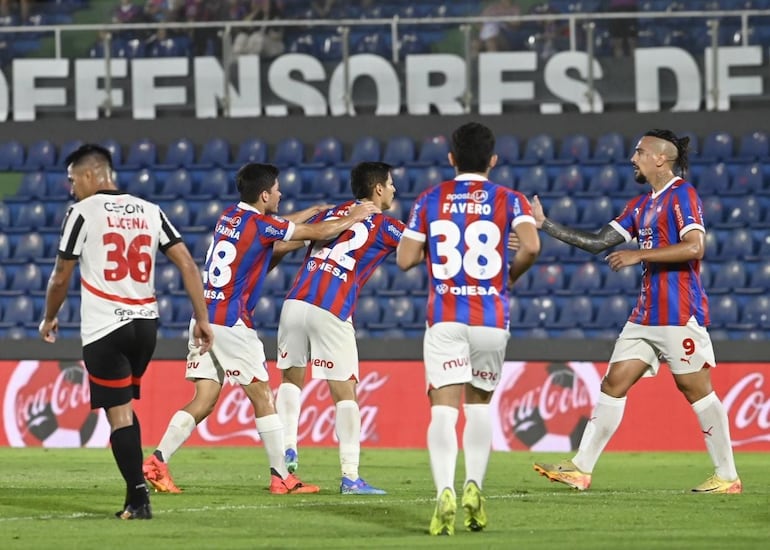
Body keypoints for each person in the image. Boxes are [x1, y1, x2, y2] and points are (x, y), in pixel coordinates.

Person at [142, 162, 380, 496]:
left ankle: (157, 461)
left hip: (203, 318)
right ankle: (282, 476)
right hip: (231, 323)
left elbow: (277, 232)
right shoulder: (261, 225)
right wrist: (352, 217)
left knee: (205, 398)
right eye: (278, 190)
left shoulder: (230, 217)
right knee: (263, 398)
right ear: (265, 194)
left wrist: (312, 211)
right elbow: (316, 234)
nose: (281, 194)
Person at [531, 129, 741, 494]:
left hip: (678, 314)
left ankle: (726, 476)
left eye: (640, 152)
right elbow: (598, 242)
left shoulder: (682, 195)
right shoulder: (641, 206)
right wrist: (545, 225)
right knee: (613, 383)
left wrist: (638, 255)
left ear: (661, 158)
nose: (633, 158)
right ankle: (581, 468)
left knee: (696, 390)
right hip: (644, 317)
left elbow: (694, 248)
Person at [38, 144, 215, 520]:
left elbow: (60, 275)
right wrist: (201, 317)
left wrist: (49, 316)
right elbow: (186, 262)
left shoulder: (82, 213)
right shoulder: (151, 210)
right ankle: (133, 494)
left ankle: (138, 500)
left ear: (89, 175)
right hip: (145, 328)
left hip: (106, 328)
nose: (72, 188)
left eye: (73, 180)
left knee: (118, 416)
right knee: (124, 409)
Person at [396, 122, 540, 535]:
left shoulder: (429, 199)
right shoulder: (510, 200)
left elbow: (405, 259)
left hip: (445, 315)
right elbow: (531, 245)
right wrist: (508, 277)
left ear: (451, 159)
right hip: (491, 318)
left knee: (443, 411)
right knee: (479, 407)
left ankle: (444, 490)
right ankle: (474, 484)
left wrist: (430, 243)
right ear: (493, 160)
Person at [275, 161, 403, 496]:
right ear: (377, 189)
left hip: (294, 303)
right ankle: (350, 477)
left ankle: (286, 450)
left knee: (290, 378)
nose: (394, 190)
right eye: (390, 184)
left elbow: (281, 241)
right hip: (331, 309)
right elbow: (425, 249)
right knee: (345, 393)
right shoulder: (387, 226)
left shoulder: (328, 215)